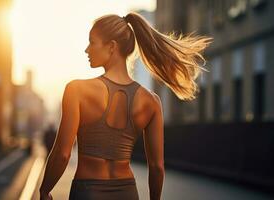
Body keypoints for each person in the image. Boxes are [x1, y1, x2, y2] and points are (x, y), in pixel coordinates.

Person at [39, 12, 212, 200]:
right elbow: (156, 167)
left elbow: (62, 154)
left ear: (112, 47)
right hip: (128, 193)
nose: (87, 50)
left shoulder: (77, 90)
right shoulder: (151, 102)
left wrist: (44, 190)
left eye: (92, 42)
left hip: (88, 192)